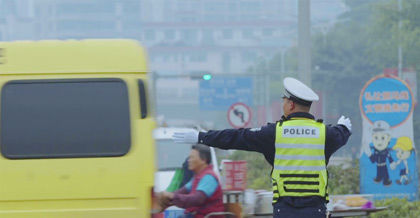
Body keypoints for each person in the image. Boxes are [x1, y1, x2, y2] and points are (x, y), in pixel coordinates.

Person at [172, 77, 352, 218]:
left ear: (290, 104)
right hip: (316, 211)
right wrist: (343, 127)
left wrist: (201, 137)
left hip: (286, 211)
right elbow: (341, 133)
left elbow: (236, 137)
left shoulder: (274, 133)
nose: (283, 104)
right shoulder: (325, 134)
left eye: (284, 100)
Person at [157, 144, 225, 218]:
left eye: (192, 157)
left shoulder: (209, 177)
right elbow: (183, 191)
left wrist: (173, 196)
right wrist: (167, 198)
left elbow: (197, 199)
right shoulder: (197, 177)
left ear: (203, 160)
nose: (189, 161)